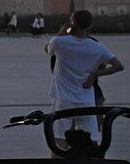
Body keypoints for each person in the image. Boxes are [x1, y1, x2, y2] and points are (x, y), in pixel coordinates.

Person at [45, 10, 124, 150]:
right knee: (91, 139)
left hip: (63, 99)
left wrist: (61, 32)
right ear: (90, 25)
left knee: (59, 139)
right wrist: (94, 74)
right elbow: (118, 66)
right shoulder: (97, 47)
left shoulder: (59, 42)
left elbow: (47, 49)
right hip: (86, 100)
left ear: (72, 23)